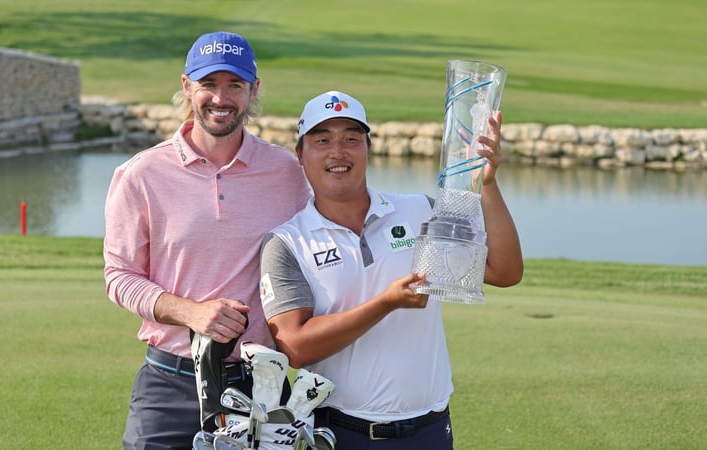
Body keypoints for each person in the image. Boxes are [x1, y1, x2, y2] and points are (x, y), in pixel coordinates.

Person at [259, 90, 523, 448]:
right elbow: (294, 346)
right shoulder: (287, 242)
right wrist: (385, 303)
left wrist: (487, 183)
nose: (338, 151)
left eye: (352, 139)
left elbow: (504, 270)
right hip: (337, 433)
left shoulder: (418, 213)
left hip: (429, 430)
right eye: (322, 140)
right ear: (300, 156)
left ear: (368, 149)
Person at [103, 31, 311, 450]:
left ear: (254, 90)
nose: (221, 98)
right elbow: (120, 277)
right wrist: (191, 313)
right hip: (169, 383)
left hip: (260, 389)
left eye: (234, 85)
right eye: (208, 85)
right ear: (186, 87)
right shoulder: (140, 175)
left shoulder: (288, 172)